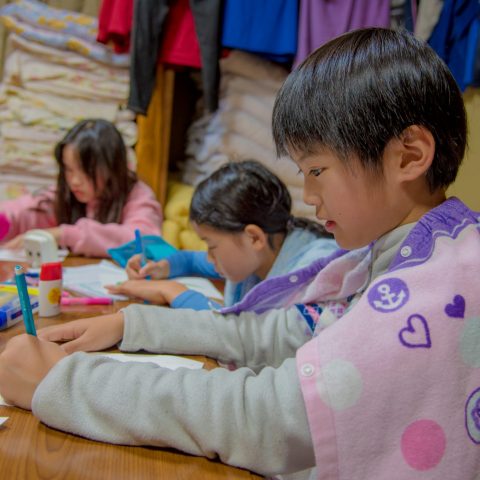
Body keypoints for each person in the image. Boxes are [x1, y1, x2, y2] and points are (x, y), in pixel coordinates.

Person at [1, 28, 479, 480]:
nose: (308, 196)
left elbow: (267, 417)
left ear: (408, 156)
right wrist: (129, 324)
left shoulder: (433, 293)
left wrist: (66, 382)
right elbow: (275, 331)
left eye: (316, 170)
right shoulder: (404, 255)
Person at [107, 160, 337, 309]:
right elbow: (192, 260)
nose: (209, 257)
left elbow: (241, 335)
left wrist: (171, 291)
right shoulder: (264, 250)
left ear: (254, 237)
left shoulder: (310, 279)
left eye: (211, 246)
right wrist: (162, 268)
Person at [0, 119, 163, 257]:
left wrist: (64, 234)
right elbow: (25, 210)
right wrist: (3, 221)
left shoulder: (137, 194)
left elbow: (145, 240)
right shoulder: (66, 194)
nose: (74, 181)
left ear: (111, 167)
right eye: (69, 169)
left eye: (86, 171)